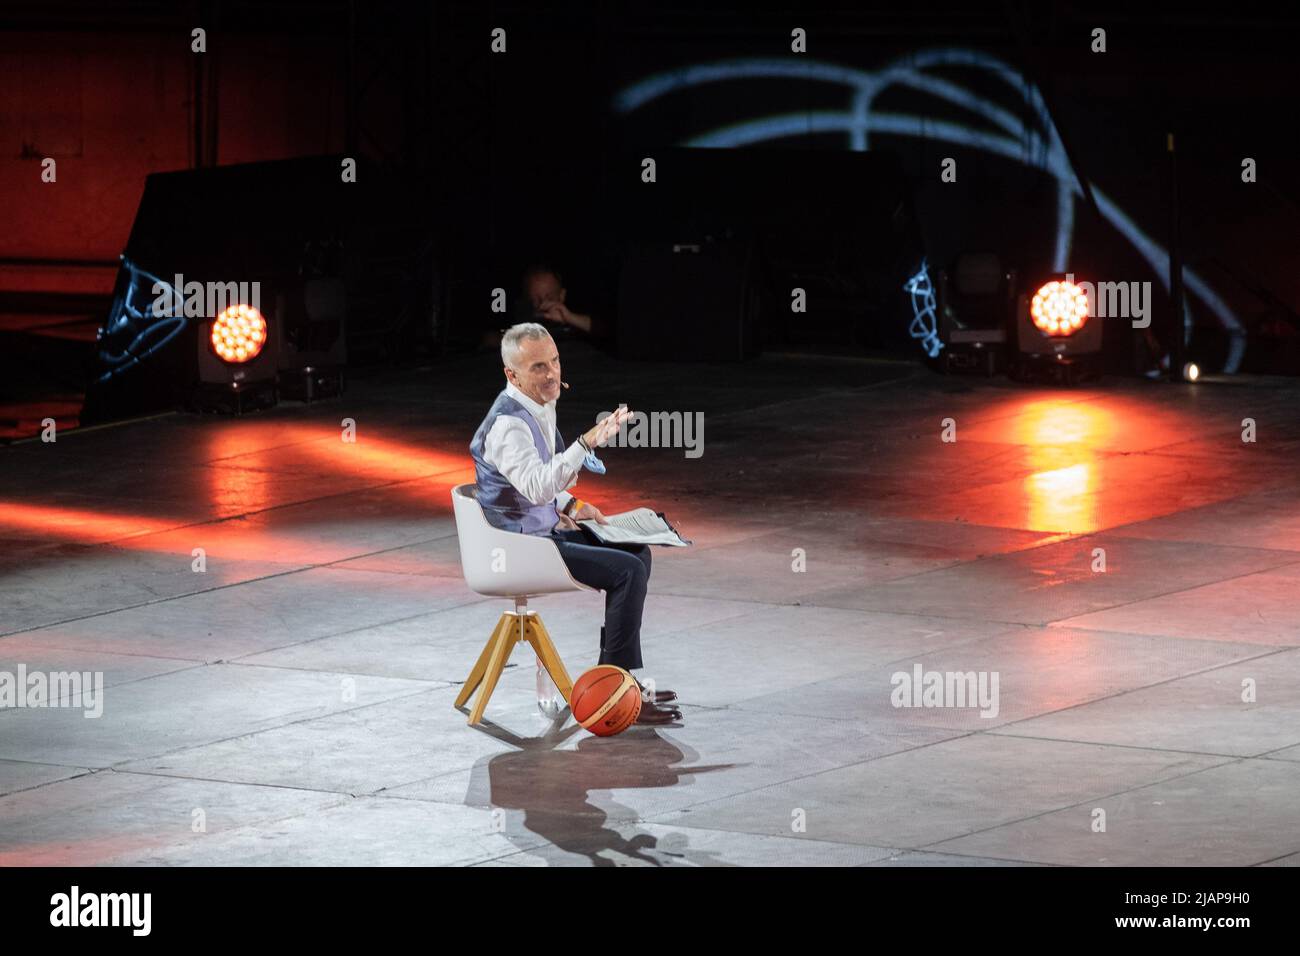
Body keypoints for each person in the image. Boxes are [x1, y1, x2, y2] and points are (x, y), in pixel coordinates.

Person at [468, 322, 682, 725]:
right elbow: (534, 487)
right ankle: (615, 685)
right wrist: (585, 445)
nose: (552, 374)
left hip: (540, 532)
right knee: (627, 572)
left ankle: (616, 677)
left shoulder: (539, 405)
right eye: (538, 367)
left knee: (637, 552)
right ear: (511, 375)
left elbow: (542, 480)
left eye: (555, 361)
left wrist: (574, 502)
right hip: (517, 547)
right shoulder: (508, 425)